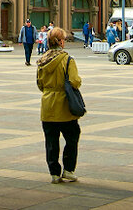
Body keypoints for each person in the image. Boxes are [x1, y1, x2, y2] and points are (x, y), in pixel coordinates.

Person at [36, 27, 82, 184]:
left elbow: (40, 84)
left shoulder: (42, 60)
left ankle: (54, 173)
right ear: (61, 42)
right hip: (65, 106)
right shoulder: (67, 60)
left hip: (48, 105)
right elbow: (75, 81)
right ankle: (68, 170)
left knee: (51, 141)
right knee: (72, 137)